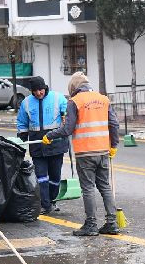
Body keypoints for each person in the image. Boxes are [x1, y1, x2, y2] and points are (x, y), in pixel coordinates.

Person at [43, 72, 120, 236]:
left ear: (74, 88)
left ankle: (91, 225)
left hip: (85, 153)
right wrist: (113, 145)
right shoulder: (104, 99)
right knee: (105, 186)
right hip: (103, 151)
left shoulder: (75, 101)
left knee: (88, 188)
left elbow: (67, 129)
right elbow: (114, 124)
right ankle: (111, 223)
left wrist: (50, 136)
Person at [16, 76, 68, 214]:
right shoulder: (26, 103)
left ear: (45, 88)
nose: (39, 93)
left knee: (55, 176)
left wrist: (66, 121)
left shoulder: (58, 98)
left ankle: (51, 199)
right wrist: (22, 136)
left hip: (56, 143)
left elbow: (67, 115)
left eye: (41, 90)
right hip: (37, 144)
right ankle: (45, 204)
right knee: (41, 176)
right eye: (35, 91)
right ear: (32, 91)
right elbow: (22, 122)